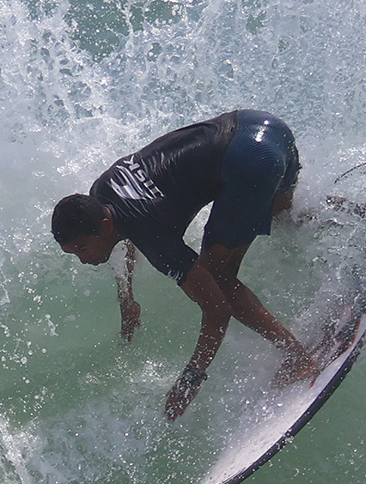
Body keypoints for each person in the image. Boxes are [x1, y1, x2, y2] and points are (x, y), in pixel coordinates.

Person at [51, 110, 319, 419]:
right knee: (284, 217)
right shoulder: (102, 191)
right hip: (263, 128)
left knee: (218, 277)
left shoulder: (155, 239)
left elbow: (217, 310)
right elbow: (126, 234)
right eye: (74, 253)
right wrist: (126, 296)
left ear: (104, 227)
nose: (83, 260)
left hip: (250, 164)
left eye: (83, 248)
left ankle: (297, 357)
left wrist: (191, 379)